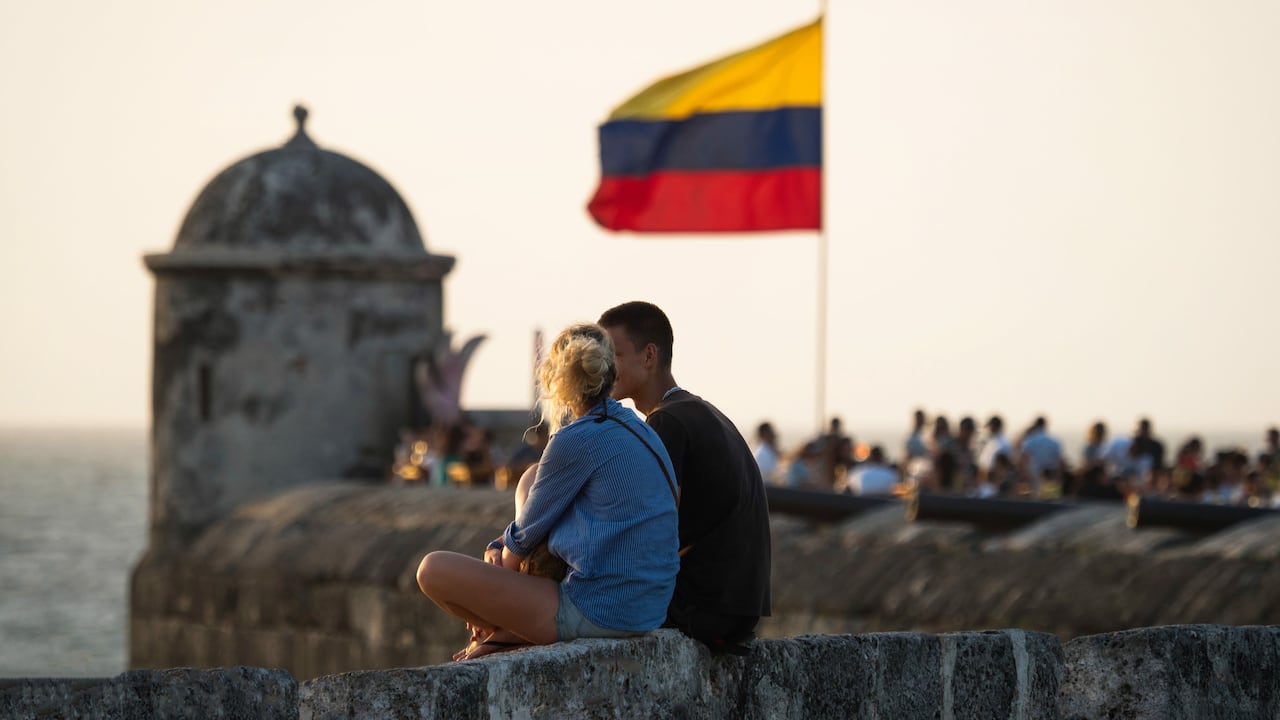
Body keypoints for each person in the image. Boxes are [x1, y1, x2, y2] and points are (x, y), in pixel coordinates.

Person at [415, 323, 679, 660]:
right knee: (530, 477)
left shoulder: (574, 439)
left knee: (432, 569)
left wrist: (495, 556)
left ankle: (503, 633)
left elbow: (516, 551)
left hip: (601, 611)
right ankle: (507, 633)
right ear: (611, 374)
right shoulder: (639, 429)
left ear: (557, 383)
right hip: (649, 608)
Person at [598, 301, 771, 654]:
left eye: (613, 354)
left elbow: (645, 530)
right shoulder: (703, 411)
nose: (602, 367)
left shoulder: (666, 423)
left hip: (701, 608)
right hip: (738, 608)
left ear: (649, 356)